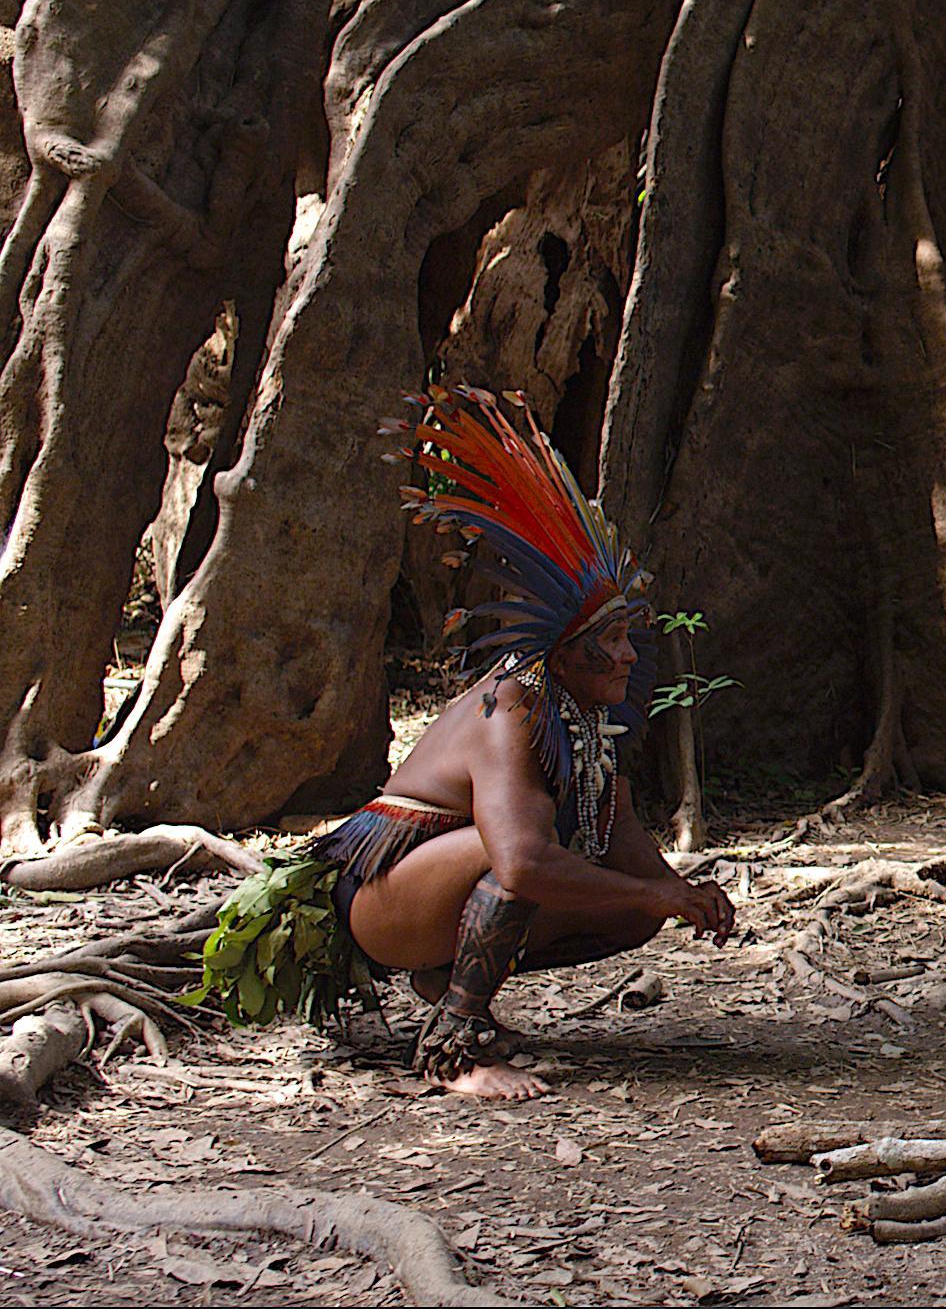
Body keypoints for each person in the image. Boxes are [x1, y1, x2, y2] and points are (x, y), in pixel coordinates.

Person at [194, 387, 736, 1101]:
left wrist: (676, 895)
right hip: (380, 906)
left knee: (628, 906)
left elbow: (626, 841)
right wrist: (650, 891)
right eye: (610, 638)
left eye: (627, 635)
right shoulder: (511, 705)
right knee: (516, 853)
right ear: (565, 651)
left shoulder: (581, 728)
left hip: (428, 901)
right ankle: (453, 1051)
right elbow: (518, 862)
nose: (630, 654)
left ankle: (441, 981)